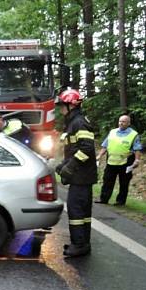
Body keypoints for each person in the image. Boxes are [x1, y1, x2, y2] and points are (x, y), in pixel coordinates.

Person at [54, 88, 97, 258]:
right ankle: (83, 243)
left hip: (81, 176)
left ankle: (79, 245)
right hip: (82, 176)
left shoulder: (79, 123)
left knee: (76, 211)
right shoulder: (74, 122)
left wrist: (70, 167)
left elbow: (86, 149)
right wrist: (63, 164)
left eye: (62, 106)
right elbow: (74, 149)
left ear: (71, 105)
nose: (60, 109)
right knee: (84, 213)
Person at [96, 114, 143, 206]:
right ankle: (104, 199)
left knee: (124, 183)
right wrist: (99, 155)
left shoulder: (133, 134)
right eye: (120, 121)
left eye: (123, 121)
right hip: (111, 161)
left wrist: (137, 160)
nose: (121, 123)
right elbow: (105, 145)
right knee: (107, 181)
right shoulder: (112, 132)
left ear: (128, 123)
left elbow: (137, 148)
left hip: (126, 162)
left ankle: (120, 201)